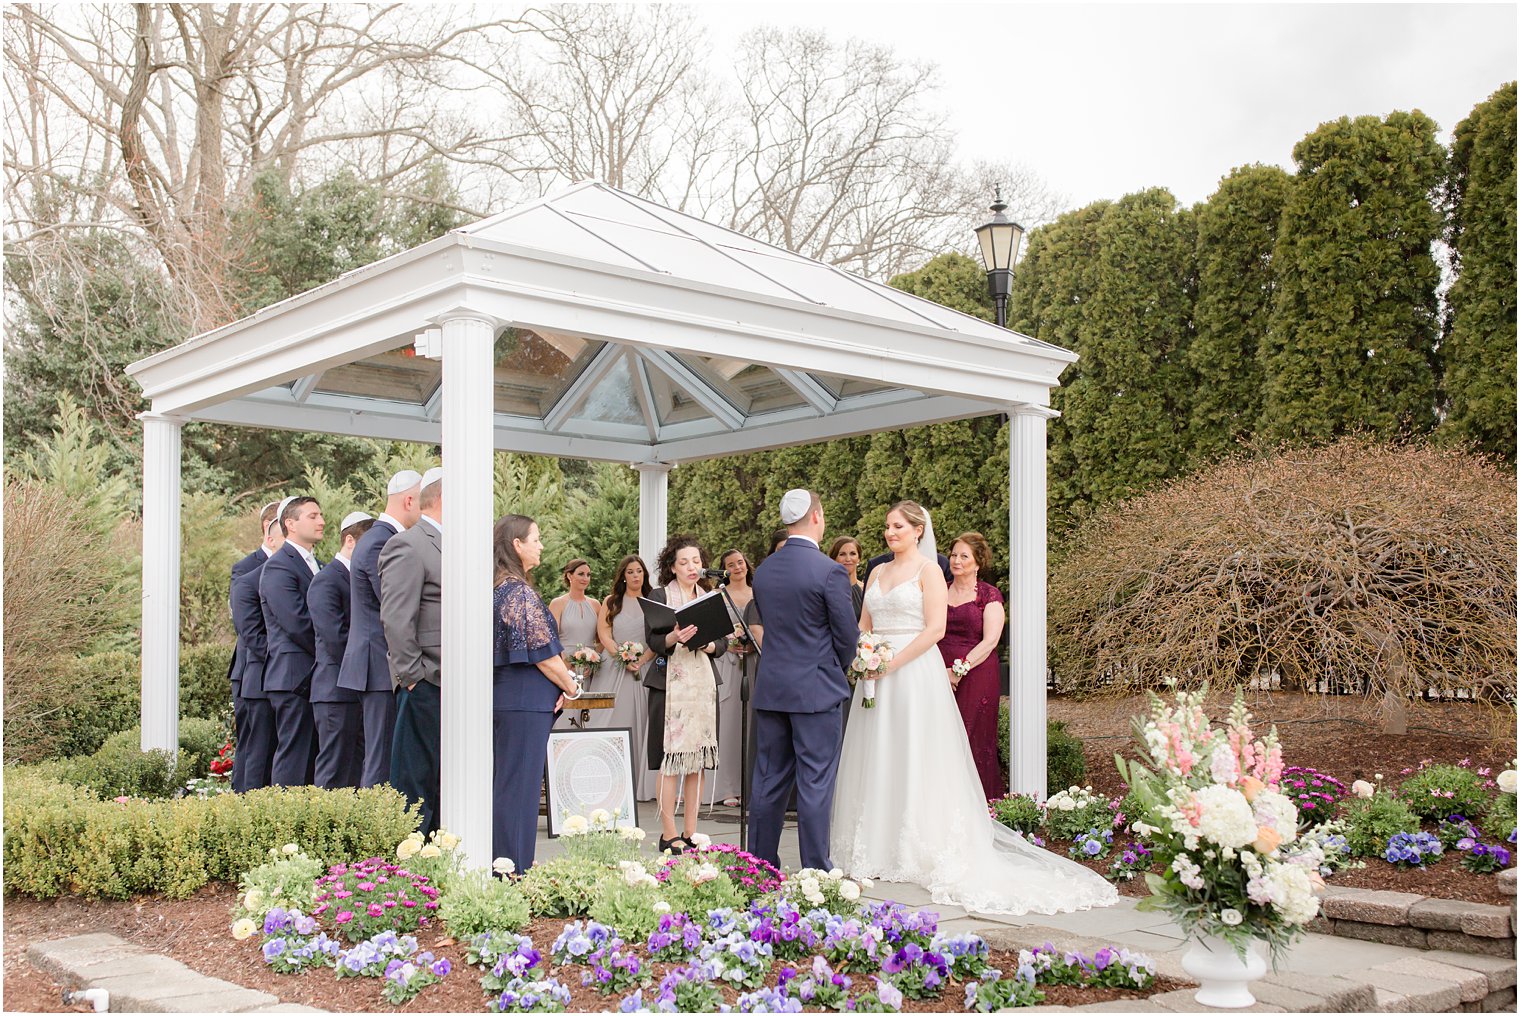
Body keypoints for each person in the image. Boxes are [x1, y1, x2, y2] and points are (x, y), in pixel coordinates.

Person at [831, 501, 1117, 915]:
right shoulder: (876, 573)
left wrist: (891, 662)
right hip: (876, 678)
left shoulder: (929, 572)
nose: (890, 532)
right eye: (887, 526)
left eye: (898, 526)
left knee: (916, 754)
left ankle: (915, 845)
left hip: (912, 674)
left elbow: (935, 629)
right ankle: (874, 844)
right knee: (877, 755)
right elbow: (865, 626)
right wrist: (865, 656)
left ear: (917, 530)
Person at [749, 489, 857, 872]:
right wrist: (835, 668)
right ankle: (816, 869)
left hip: (773, 688)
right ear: (817, 516)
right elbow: (847, 638)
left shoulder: (764, 570)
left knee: (768, 780)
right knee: (815, 783)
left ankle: (759, 866)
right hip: (816, 691)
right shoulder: (828, 571)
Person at [492, 514, 582, 871]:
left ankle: (507, 863)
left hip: (514, 699)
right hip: (524, 702)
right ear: (517, 545)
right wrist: (571, 687)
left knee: (511, 786)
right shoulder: (518, 592)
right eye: (536, 538)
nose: (541, 545)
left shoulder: (499, 587)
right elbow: (543, 653)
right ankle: (513, 869)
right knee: (520, 791)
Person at [339, 469, 423, 788]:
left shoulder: (376, 538)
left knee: (382, 753)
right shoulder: (382, 541)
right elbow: (392, 606)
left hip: (376, 664)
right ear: (409, 500)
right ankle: (374, 835)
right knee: (381, 757)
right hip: (378, 664)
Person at [643, 535, 722, 853]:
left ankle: (691, 832)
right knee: (670, 760)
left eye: (696, 561)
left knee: (697, 760)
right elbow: (652, 639)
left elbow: (723, 641)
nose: (692, 567)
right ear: (672, 567)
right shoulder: (661, 595)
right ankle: (668, 833)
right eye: (684, 562)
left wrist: (709, 643)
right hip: (669, 686)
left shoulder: (710, 595)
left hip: (702, 687)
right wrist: (674, 636)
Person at [379, 467, 444, 836]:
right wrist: (413, 678)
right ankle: (410, 869)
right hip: (425, 682)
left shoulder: (457, 544)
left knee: (442, 781)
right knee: (415, 785)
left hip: (455, 684)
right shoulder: (407, 543)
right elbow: (396, 619)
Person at [259, 496, 325, 787]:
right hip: (291, 677)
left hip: (315, 675)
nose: (321, 521)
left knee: (313, 756)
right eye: (312, 516)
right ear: (290, 523)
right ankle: (283, 822)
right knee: (293, 755)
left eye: (320, 515)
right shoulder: (278, 567)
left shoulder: (317, 564)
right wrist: (333, 649)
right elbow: (297, 623)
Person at [308, 511, 374, 790]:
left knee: (355, 769)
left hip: (355, 688)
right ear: (350, 541)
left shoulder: (356, 578)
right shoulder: (327, 580)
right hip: (334, 689)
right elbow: (334, 638)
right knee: (333, 768)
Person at [940, 531, 1007, 802]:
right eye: (954, 555)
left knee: (973, 738)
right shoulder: (938, 590)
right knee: (941, 738)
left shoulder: (989, 595)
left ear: (978, 562)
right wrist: (941, 671)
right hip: (938, 672)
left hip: (977, 673)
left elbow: (990, 641)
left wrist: (958, 670)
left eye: (964, 556)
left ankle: (981, 804)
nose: (956, 561)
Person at [591, 556, 659, 799]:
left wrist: (641, 659)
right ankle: (606, 776)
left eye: (639, 571)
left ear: (644, 574)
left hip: (644, 666)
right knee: (611, 718)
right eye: (630, 571)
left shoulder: (652, 601)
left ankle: (641, 781)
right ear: (623, 576)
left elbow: (659, 635)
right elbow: (604, 632)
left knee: (642, 720)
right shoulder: (611, 602)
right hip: (615, 667)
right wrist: (621, 654)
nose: (635, 575)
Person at [228, 500, 281, 792]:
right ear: (269, 527)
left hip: (285, 673)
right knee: (254, 748)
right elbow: (246, 625)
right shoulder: (246, 569)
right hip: (253, 670)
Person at [712, 548, 755, 806]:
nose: (738, 567)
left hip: (752, 661)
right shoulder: (719, 595)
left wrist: (749, 646)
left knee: (750, 723)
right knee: (728, 725)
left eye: (740, 562)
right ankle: (726, 787)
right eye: (731, 564)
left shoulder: (757, 594)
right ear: (725, 569)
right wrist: (730, 644)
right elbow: (713, 629)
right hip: (727, 662)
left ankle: (747, 786)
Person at [550, 559, 604, 729]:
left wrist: (593, 660)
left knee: (588, 717)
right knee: (565, 717)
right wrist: (565, 664)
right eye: (581, 574)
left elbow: (601, 639)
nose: (585, 578)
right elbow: (551, 638)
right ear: (569, 576)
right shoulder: (558, 603)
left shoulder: (595, 605)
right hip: (564, 666)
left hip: (590, 670)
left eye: (588, 575)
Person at [827, 536, 867, 619]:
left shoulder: (866, 590)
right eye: (842, 554)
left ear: (859, 558)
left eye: (853, 554)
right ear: (834, 559)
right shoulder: (827, 590)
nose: (848, 559)